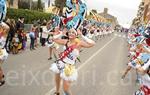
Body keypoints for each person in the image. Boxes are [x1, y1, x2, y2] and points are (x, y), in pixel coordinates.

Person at [50, 28, 95, 95]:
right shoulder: (66, 41)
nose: (71, 33)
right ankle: (57, 92)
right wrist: (61, 33)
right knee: (57, 79)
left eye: (73, 32)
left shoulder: (79, 44)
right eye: (70, 32)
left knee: (66, 89)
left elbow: (92, 43)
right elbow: (53, 39)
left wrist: (82, 36)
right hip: (61, 63)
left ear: (76, 35)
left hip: (69, 67)